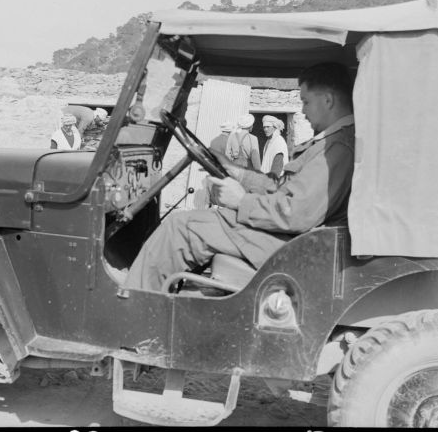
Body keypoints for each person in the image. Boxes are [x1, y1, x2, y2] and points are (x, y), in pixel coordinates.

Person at [123, 62, 355, 292]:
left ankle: (133, 307)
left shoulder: (336, 149)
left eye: (306, 102)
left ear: (328, 100)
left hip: (296, 246)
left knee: (180, 227)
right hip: (292, 239)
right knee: (197, 220)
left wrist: (241, 200)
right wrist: (237, 172)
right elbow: (282, 189)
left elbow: (296, 213)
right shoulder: (331, 143)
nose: (302, 111)